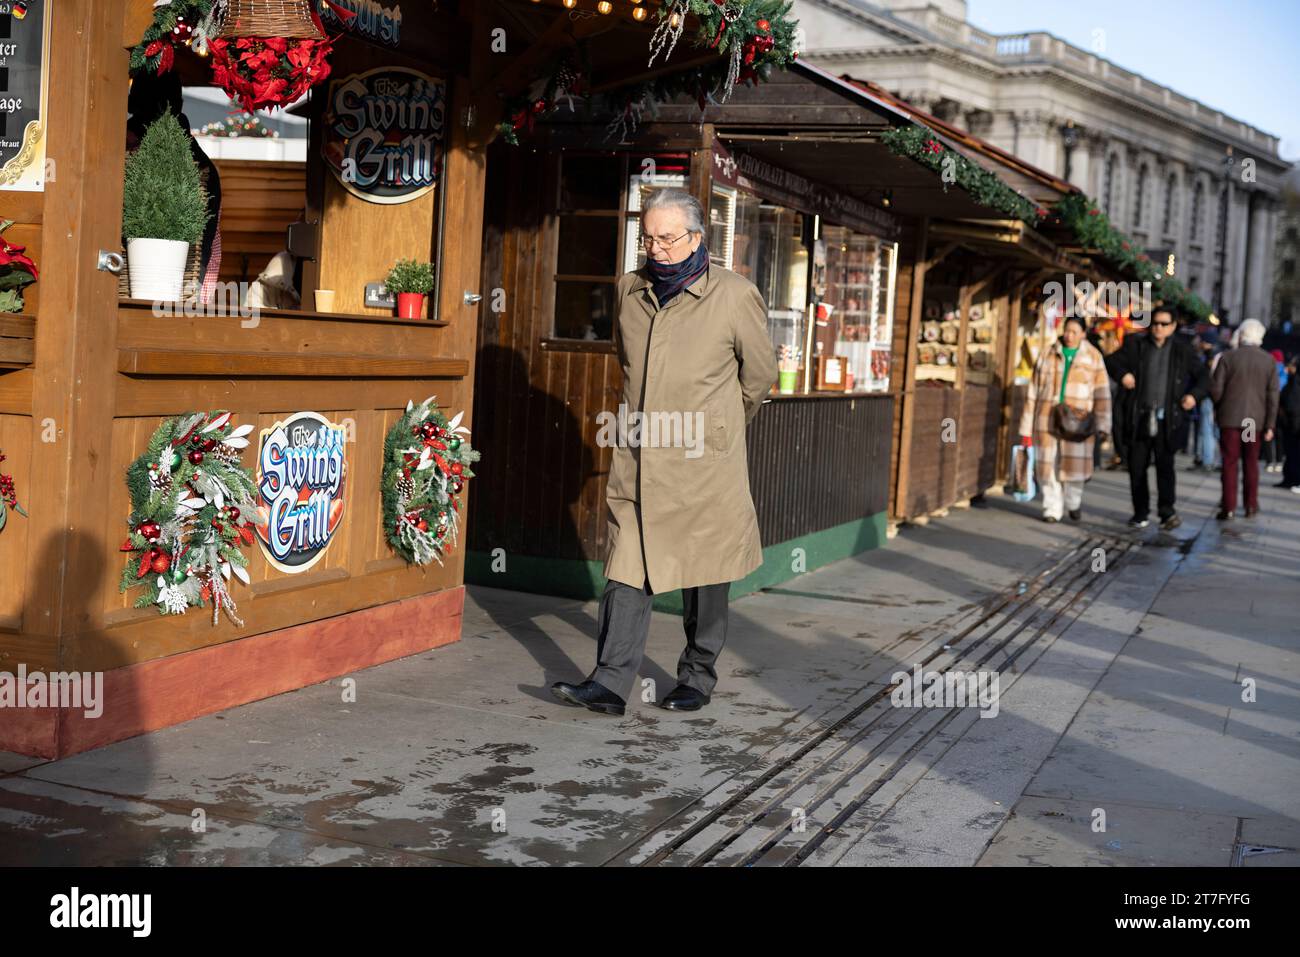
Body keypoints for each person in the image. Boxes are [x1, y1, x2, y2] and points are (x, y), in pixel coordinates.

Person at [550, 188, 779, 716]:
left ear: (697, 238)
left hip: (704, 462)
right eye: (647, 237)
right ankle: (610, 683)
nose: (655, 248)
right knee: (627, 565)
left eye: (667, 238)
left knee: (704, 570)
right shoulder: (629, 291)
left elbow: (759, 377)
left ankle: (697, 676)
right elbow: (626, 361)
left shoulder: (734, 294)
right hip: (638, 455)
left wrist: (719, 427)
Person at [1105, 304, 1209, 530]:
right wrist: (1123, 375)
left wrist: (1193, 396)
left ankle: (1167, 512)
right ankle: (1140, 512)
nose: (1158, 328)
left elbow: (1203, 376)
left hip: (1167, 419)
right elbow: (1111, 361)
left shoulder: (1182, 351)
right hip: (1139, 416)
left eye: (1163, 324)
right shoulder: (1136, 345)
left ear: (1172, 326)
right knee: (1137, 467)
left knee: (1165, 467)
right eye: (1155, 324)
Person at [127, 71, 223, 301]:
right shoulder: (200, 163)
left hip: (129, 284)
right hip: (189, 288)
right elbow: (209, 241)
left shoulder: (123, 153)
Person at [1019, 315, 1112, 523]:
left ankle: (1073, 501)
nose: (1069, 336)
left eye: (1074, 332)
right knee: (1047, 464)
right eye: (1067, 331)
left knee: (1075, 466)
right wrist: (1026, 427)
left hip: (1078, 420)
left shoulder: (1093, 357)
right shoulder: (1047, 353)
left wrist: (1104, 424)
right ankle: (1052, 507)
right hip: (1047, 416)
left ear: (1083, 334)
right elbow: (1033, 391)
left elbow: (1102, 393)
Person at [1211, 319, 1280, 519]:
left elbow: (1216, 389)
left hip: (1231, 418)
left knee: (1230, 462)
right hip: (1251, 421)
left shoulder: (1228, 357)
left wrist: (1219, 407)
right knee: (1250, 462)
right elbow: (1272, 396)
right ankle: (1250, 505)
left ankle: (1229, 506)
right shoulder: (1268, 361)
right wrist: (1270, 424)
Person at [1278, 355, 1300, 492]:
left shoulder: (1296, 381)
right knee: (1291, 452)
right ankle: (1289, 478)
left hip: (1295, 422)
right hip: (1291, 422)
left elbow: (1293, 403)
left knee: (1295, 453)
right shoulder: (1293, 381)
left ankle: (1295, 479)